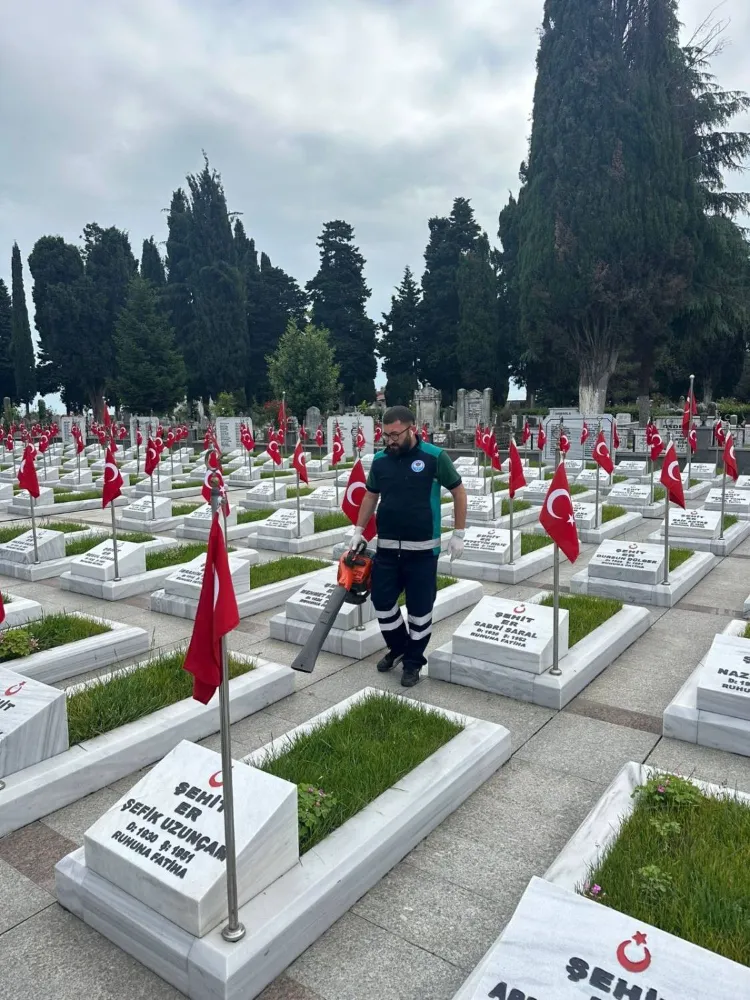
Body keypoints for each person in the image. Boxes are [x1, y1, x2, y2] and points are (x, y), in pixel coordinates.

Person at [350, 405, 467, 687]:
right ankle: (401, 647)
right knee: (382, 602)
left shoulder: (434, 457)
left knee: (419, 610)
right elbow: (370, 496)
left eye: (395, 435)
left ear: (411, 428)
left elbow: (458, 492)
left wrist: (459, 532)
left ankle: (413, 662)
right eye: (386, 435)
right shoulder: (380, 460)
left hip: (423, 551)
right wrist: (358, 530)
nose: (390, 440)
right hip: (388, 549)